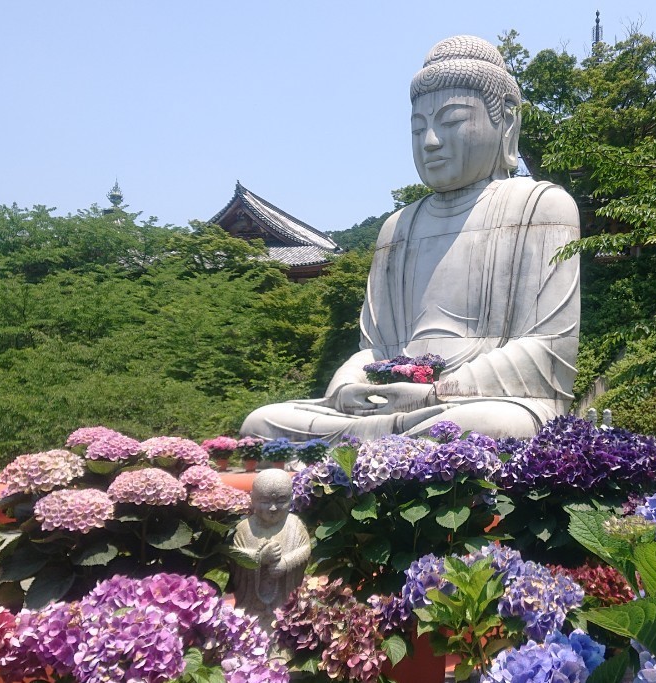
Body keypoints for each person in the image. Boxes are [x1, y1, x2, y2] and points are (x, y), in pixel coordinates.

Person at [240, 35, 580, 443]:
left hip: (477, 402)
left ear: (506, 121)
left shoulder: (540, 206)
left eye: (452, 122)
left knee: (489, 426)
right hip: (391, 402)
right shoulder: (398, 226)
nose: (431, 142)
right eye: (419, 128)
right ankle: (386, 440)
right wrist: (347, 385)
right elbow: (376, 348)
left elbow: (549, 350)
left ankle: (385, 444)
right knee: (262, 422)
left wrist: (437, 391)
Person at [230, 469, 311, 628]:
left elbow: (305, 549)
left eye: (281, 501)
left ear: (291, 497)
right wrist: (259, 558)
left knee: (288, 621)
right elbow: (235, 557)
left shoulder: (295, 525)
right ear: (252, 499)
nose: (273, 508)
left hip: (284, 598)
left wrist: (286, 564)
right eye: (265, 501)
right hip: (252, 605)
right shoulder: (244, 529)